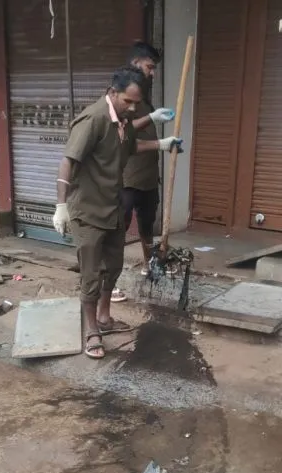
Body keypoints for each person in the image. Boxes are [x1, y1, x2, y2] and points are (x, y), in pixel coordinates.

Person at [51, 66, 181, 360]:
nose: (133, 108)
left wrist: (162, 144)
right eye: (128, 101)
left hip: (112, 206)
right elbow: (67, 162)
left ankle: (105, 318)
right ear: (112, 93)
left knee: (114, 265)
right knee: (91, 273)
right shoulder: (94, 119)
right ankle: (91, 330)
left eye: (137, 103)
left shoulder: (122, 121)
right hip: (87, 211)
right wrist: (61, 206)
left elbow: (131, 147)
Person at [111, 41, 176, 303]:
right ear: (136, 62)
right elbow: (122, 135)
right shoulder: (123, 94)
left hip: (148, 177)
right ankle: (109, 280)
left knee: (148, 226)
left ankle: (151, 266)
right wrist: (158, 138)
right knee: (118, 229)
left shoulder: (144, 94)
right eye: (150, 66)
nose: (152, 72)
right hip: (127, 178)